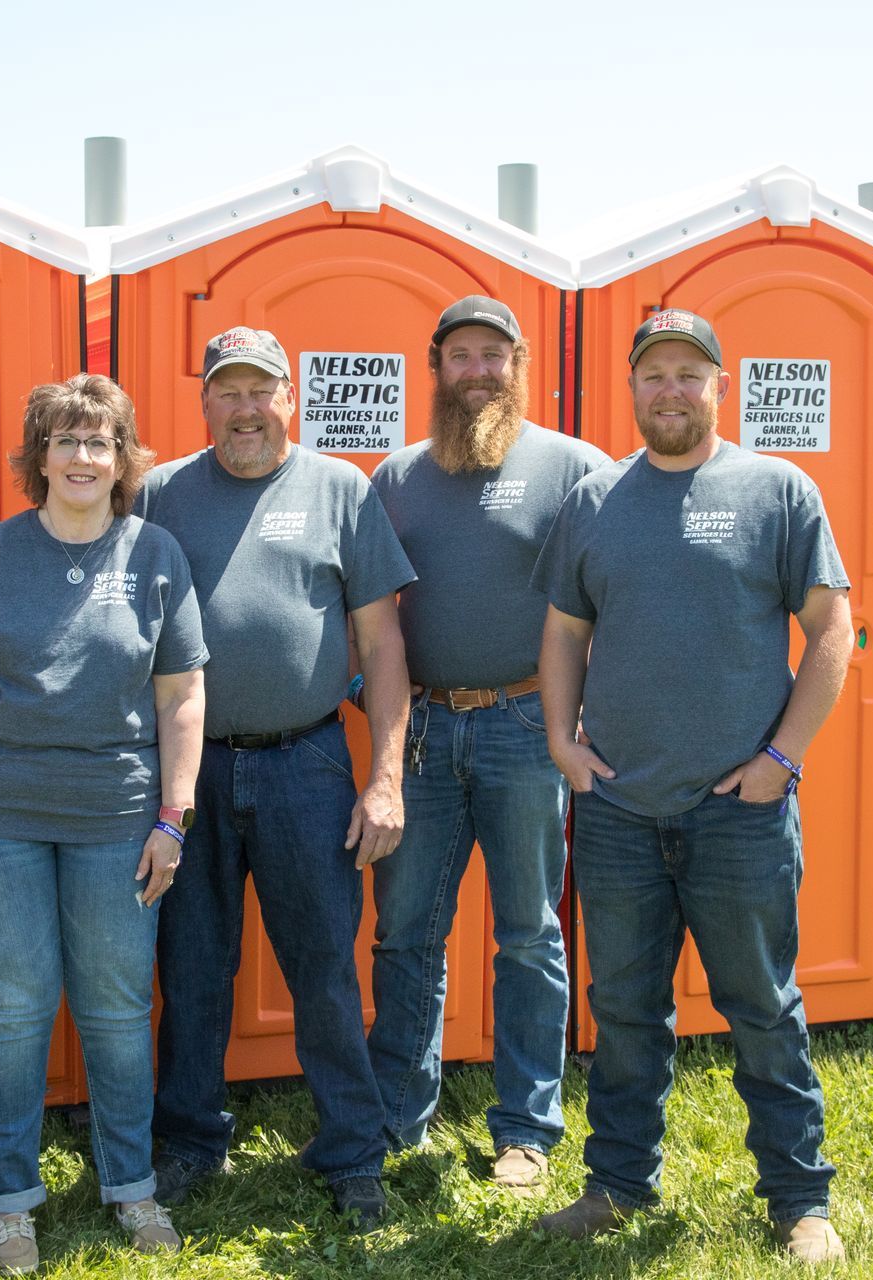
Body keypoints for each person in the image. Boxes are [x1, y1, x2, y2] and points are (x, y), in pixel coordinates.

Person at [531, 309, 854, 1265]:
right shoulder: (595, 500)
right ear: (631, 388)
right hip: (622, 810)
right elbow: (562, 633)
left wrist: (782, 760)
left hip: (738, 815)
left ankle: (799, 1200)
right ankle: (618, 1185)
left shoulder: (777, 490)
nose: (671, 389)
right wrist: (561, 740)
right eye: (654, 374)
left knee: (761, 1006)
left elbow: (833, 630)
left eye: (689, 373)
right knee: (625, 1010)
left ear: (721, 385)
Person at [0, 374, 208, 1274]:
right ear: (37, 456)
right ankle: (11, 1204)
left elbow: (183, 695)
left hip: (121, 820)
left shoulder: (155, 551)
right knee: (11, 1011)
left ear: (123, 459)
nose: (83, 457)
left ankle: (131, 1185)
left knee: (119, 1009)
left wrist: (174, 815)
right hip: (0, 821)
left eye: (101, 442)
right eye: (66, 440)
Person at [137, 326, 416, 1227]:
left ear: (289, 396)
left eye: (262, 390)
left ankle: (352, 1152)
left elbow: (380, 641)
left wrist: (385, 780)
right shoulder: (161, 492)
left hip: (309, 761)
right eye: (227, 392)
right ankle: (186, 1141)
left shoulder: (341, 488)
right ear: (204, 401)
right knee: (192, 964)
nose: (245, 409)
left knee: (324, 966)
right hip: (191, 773)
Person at [366, 296, 609, 1192]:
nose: (475, 370)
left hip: (523, 729)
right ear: (435, 366)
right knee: (404, 934)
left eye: (491, 355)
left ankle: (526, 1130)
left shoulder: (577, 470)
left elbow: (614, 596)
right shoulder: (395, 478)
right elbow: (367, 613)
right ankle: (398, 1117)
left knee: (528, 936)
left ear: (519, 363)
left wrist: (580, 714)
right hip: (424, 732)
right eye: (459, 355)